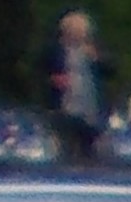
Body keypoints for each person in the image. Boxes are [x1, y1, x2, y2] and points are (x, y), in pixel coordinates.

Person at [37, 10, 106, 164]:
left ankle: (87, 164)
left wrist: (97, 59)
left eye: (83, 32)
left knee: (89, 144)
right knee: (65, 143)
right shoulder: (55, 50)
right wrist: (53, 79)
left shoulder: (92, 50)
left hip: (88, 104)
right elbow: (40, 71)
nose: (80, 36)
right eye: (77, 32)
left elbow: (110, 70)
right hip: (64, 105)